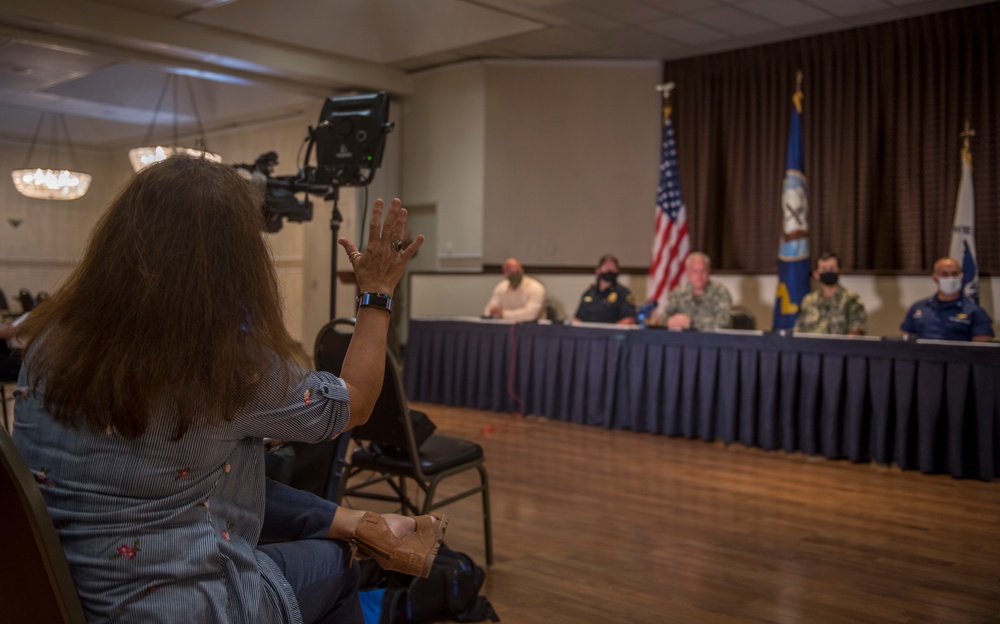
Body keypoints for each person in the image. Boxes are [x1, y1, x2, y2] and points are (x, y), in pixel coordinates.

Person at [11, 156, 446, 624]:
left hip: (55, 594)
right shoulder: (226, 369)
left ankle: (357, 521)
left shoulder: (48, 341)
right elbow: (355, 400)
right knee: (335, 565)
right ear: (236, 261)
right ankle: (357, 528)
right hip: (174, 607)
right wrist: (377, 292)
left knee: (239, 463)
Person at [901, 256, 994, 342]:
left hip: (957, 358)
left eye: (954, 274)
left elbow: (982, 349)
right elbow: (906, 339)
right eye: (944, 274)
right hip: (923, 357)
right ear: (935, 278)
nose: (950, 278)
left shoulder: (975, 311)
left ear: (961, 276)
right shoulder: (918, 307)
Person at [793, 251, 867, 335]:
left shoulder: (851, 298)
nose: (828, 272)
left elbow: (856, 331)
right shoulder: (808, 300)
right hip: (811, 347)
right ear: (816, 274)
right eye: (824, 269)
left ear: (839, 271)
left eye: (832, 269)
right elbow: (798, 332)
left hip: (840, 347)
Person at [658, 252, 732, 330]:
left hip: (711, 340)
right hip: (683, 340)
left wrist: (692, 323)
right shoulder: (678, 292)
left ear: (709, 272)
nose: (699, 276)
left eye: (703, 271)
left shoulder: (720, 292)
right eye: (695, 271)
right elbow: (663, 319)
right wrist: (669, 322)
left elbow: (724, 323)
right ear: (687, 273)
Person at [572, 254, 637, 324]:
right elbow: (577, 318)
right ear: (598, 270)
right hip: (587, 333)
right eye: (606, 267)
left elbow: (629, 319)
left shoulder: (623, 293)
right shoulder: (589, 293)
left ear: (618, 271)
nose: (609, 270)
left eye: (613, 268)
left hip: (611, 333)